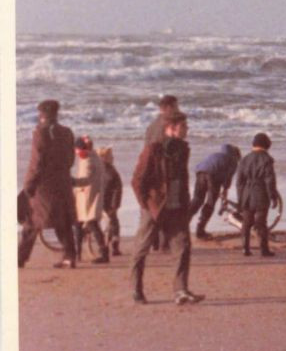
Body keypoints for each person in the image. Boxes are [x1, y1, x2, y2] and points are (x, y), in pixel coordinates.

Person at [130, 113, 203, 305]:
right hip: (155, 208)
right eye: (183, 126)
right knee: (141, 248)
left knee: (183, 247)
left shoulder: (183, 149)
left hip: (177, 207)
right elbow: (137, 180)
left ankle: (181, 291)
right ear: (171, 128)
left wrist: (186, 202)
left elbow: (183, 178)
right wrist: (146, 205)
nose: (187, 130)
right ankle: (136, 289)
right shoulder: (152, 150)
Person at [19, 100, 77, 269]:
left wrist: (29, 185)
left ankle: (20, 258)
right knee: (63, 221)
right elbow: (70, 160)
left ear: (42, 114)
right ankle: (70, 257)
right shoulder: (66, 132)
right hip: (63, 183)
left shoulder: (40, 133)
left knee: (31, 221)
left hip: (44, 186)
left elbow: (36, 163)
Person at [235, 133, 280, 258]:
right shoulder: (267, 159)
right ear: (266, 145)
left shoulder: (245, 159)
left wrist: (240, 198)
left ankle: (245, 248)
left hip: (246, 193)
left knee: (246, 222)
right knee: (261, 222)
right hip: (260, 193)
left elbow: (239, 182)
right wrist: (273, 196)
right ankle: (264, 250)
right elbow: (269, 180)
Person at [71, 135, 111, 264]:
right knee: (84, 224)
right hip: (89, 196)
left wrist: (73, 182)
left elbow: (86, 179)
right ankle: (79, 253)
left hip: (89, 197)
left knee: (90, 224)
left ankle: (99, 254)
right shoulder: (94, 157)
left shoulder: (88, 160)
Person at [190, 143, 241, 239]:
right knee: (210, 203)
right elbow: (227, 181)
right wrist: (224, 194)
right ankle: (200, 230)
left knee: (197, 200)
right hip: (213, 175)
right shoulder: (233, 161)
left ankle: (183, 225)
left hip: (200, 172)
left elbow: (203, 165)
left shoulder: (216, 154)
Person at [99, 147, 123, 256]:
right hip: (109, 202)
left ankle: (112, 245)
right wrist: (115, 204)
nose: (113, 158)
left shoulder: (99, 169)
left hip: (102, 200)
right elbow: (117, 188)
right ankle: (114, 247)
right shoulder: (110, 171)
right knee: (114, 224)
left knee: (110, 223)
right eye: (111, 156)